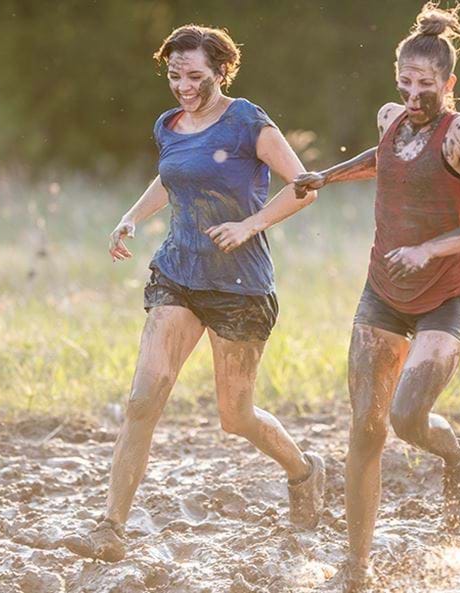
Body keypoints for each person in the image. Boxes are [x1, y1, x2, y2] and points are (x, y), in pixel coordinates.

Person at [63, 24, 326, 562]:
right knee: (143, 399)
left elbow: (304, 187)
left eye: (195, 76)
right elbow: (171, 177)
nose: (183, 86)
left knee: (236, 417)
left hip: (240, 288)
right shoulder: (169, 125)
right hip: (178, 275)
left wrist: (250, 225)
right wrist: (131, 218)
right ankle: (111, 528)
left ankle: (304, 472)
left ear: (222, 71)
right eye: (174, 76)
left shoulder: (247, 121)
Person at [294, 2, 460, 588]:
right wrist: (325, 176)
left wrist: (428, 249)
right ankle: (356, 564)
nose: (414, 96)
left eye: (426, 85)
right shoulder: (391, 118)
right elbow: (383, 159)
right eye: (405, 83)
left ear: (449, 83)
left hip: (445, 295)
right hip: (383, 293)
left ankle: (457, 456)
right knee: (366, 428)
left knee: (408, 418)